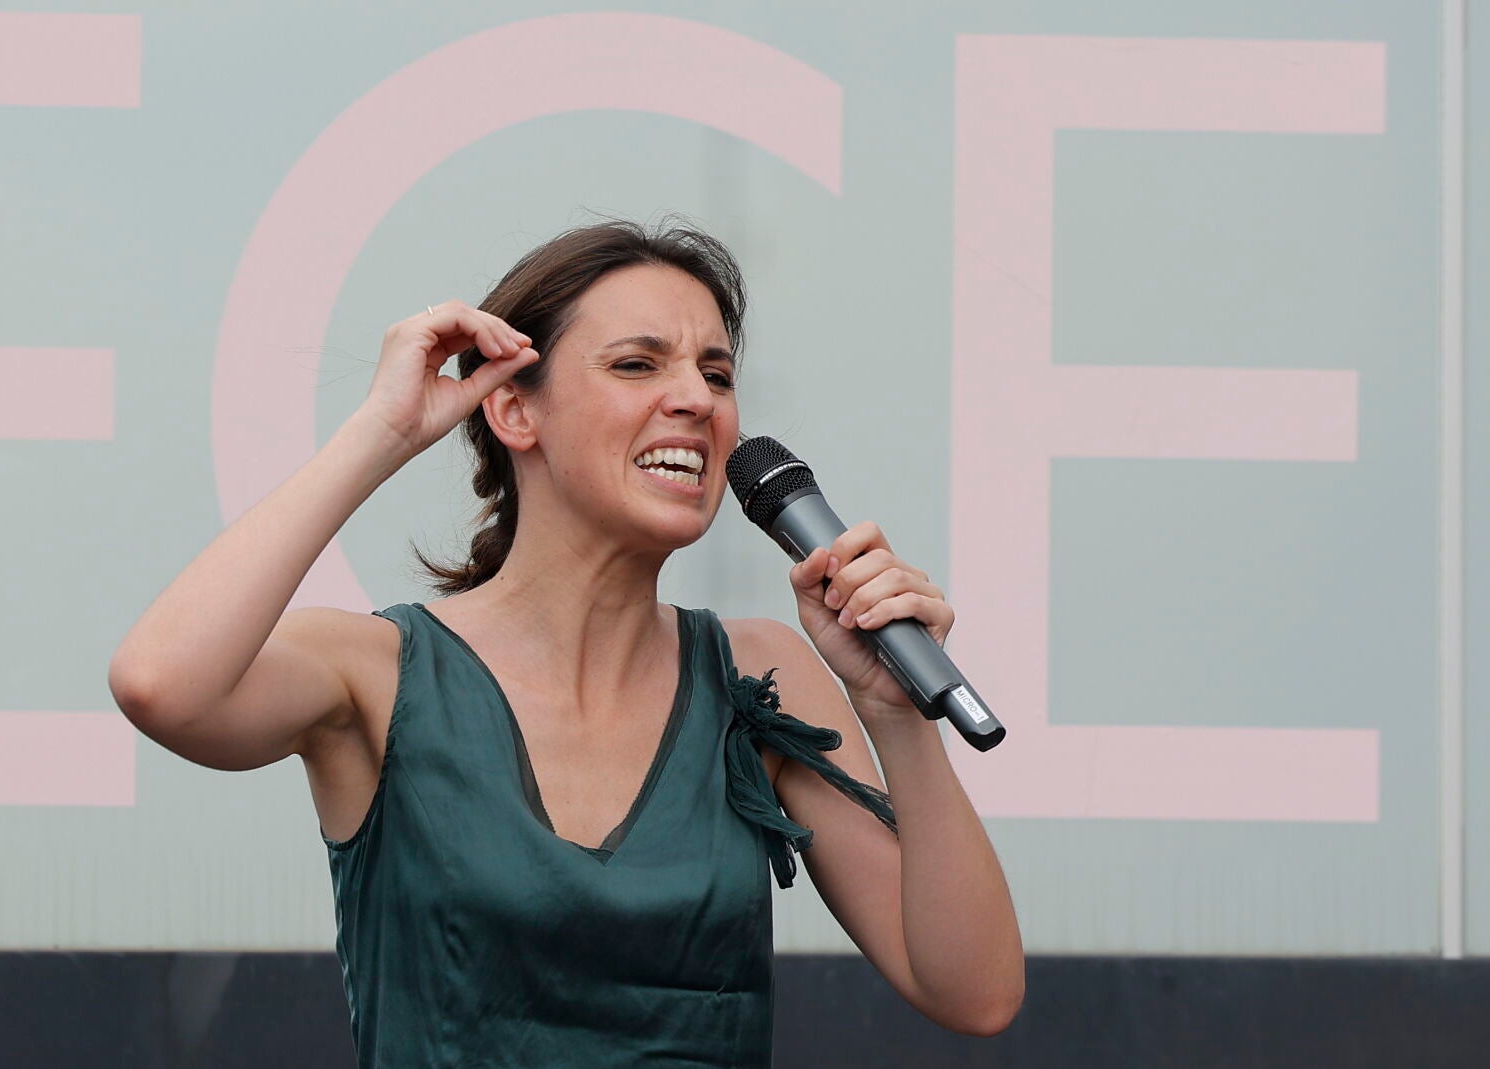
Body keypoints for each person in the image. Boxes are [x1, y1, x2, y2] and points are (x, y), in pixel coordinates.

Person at [108, 217, 1023, 1065]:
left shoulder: (759, 674)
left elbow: (974, 991)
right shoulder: (377, 674)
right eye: (637, 364)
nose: (694, 399)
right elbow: (160, 684)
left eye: (716, 374)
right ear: (514, 411)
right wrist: (383, 432)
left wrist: (896, 715)